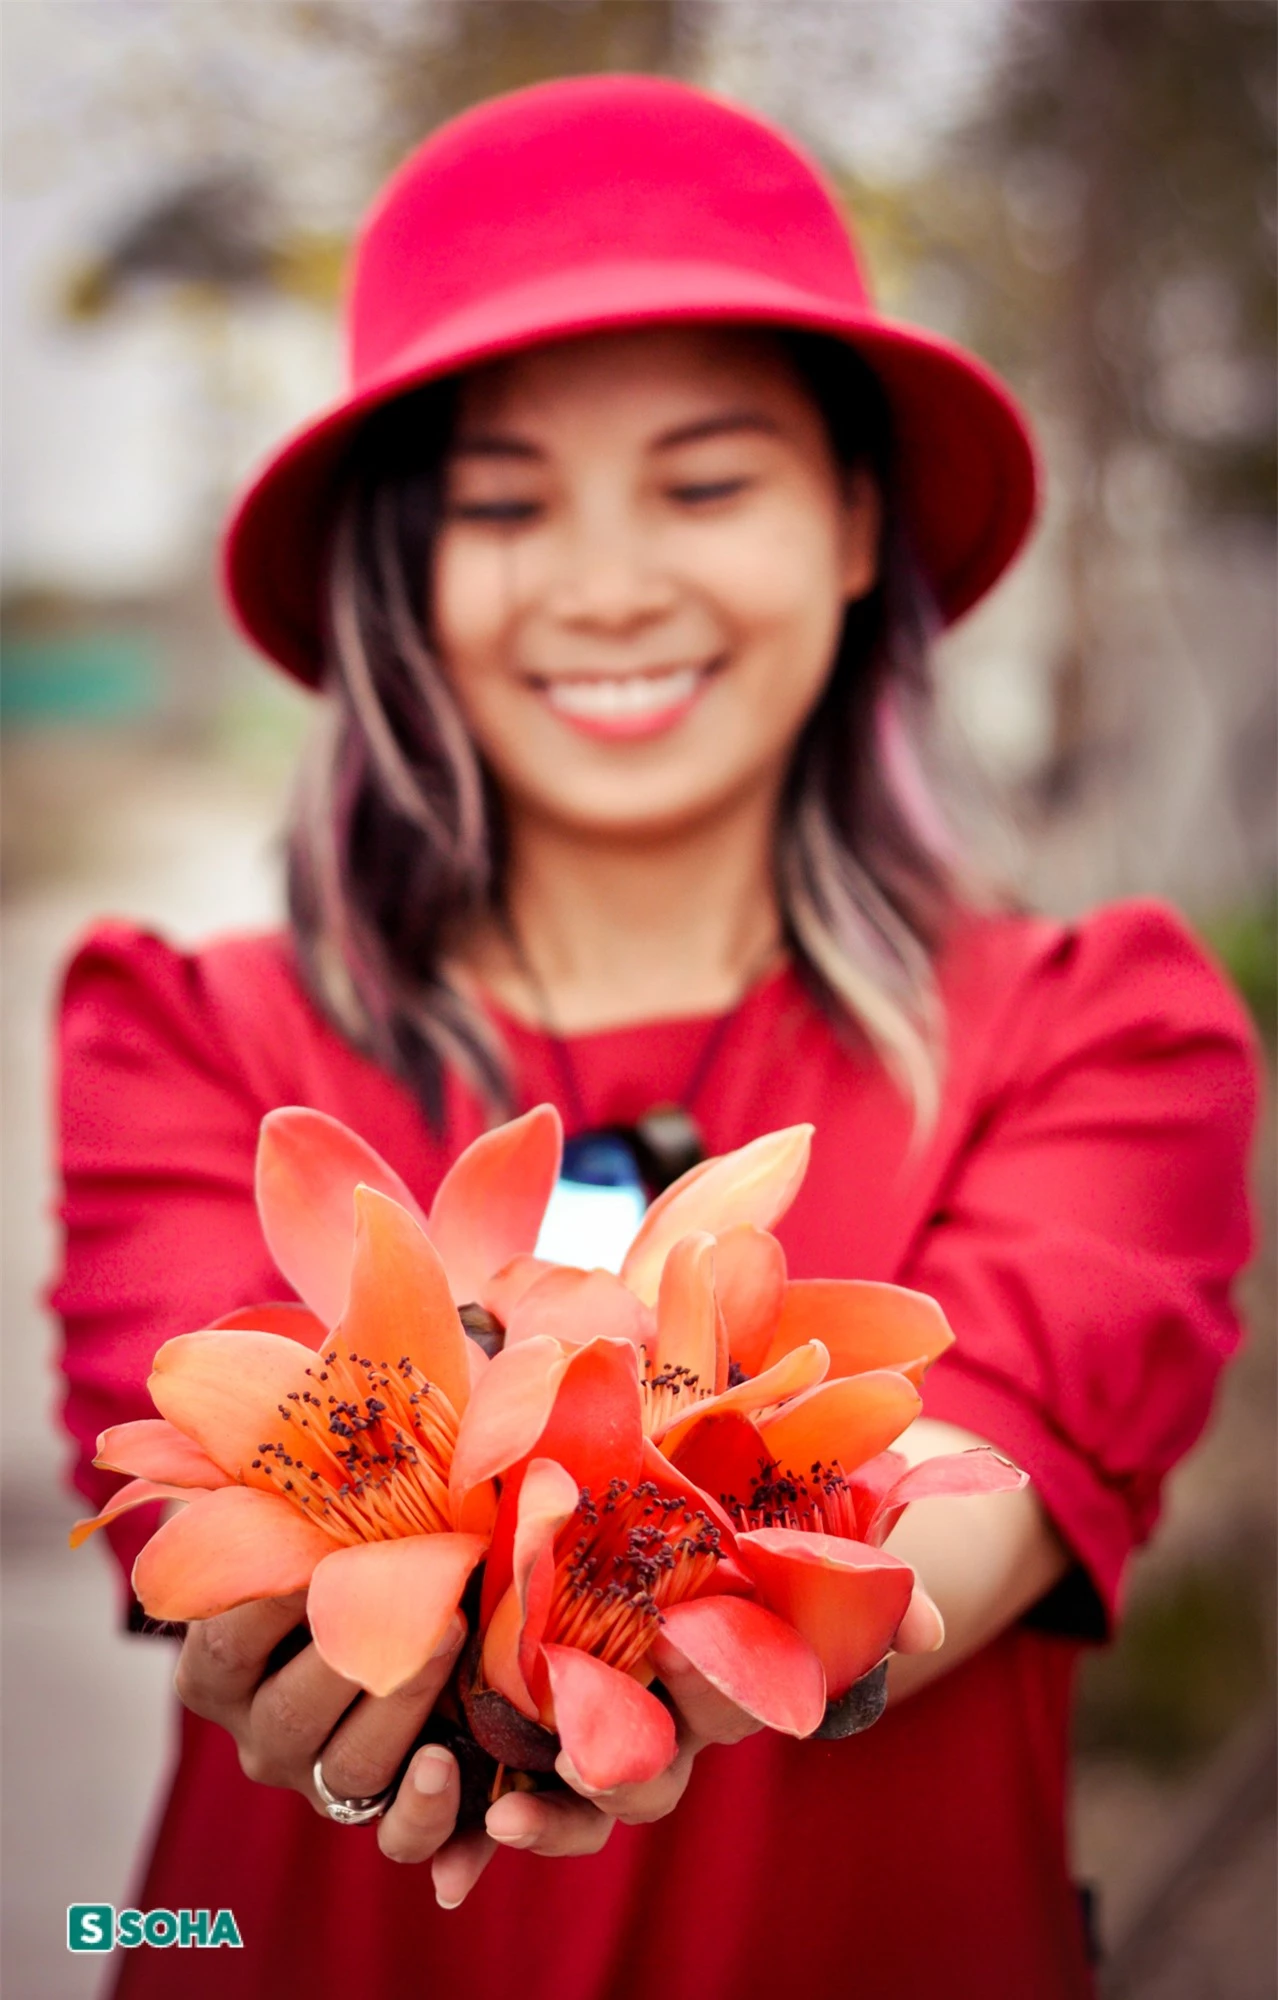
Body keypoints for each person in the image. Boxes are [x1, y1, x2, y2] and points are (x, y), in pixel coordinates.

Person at [54, 74, 1258, 2000]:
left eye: (706, 482)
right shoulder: (192, 1038)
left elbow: (966, 1488)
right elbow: (192, 1482)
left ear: (860, 523)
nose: (609, 583)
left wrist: (628, 1635)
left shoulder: (1101, 1033)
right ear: (401, 571)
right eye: (505, 504)